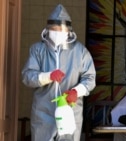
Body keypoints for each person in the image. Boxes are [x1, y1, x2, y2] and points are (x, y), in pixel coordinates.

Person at [22, 4, 96, 141]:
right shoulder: (38, 50)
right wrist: (47, 76)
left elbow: (90, 78)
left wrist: (76, 92)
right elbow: (27, 76)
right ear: (47, 30)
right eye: (54, 29)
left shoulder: (80, 52)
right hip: (43, 114)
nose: (57, 33)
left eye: (61, 29)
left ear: (69, 31)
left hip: (70, 114)